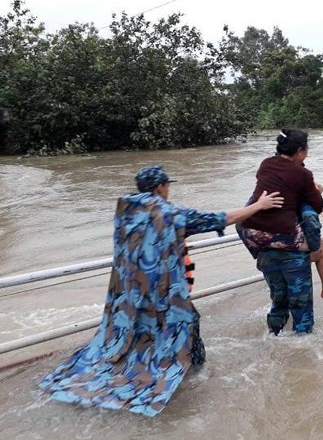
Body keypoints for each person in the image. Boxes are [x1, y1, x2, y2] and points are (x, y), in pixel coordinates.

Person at [40, 165, 283, 417]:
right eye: (167, 186)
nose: (168, 190)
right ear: (159, 187)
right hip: (160, 290)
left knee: (136, 331)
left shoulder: (126, 209)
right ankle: (191, 370)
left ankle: (142, 365)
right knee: (188, 322)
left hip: (128, 291)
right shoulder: (168, 213)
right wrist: (259, 205)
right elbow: (218, 219)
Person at [239, 129, 323, 335]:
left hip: (261, 245)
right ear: (300, 151)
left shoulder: (266, 164)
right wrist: (316, 189)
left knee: (278, 300)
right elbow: (317, 206)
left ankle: (274, 334)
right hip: (289, 247)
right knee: (301, 305)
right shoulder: (302, 174)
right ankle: (302, 351)